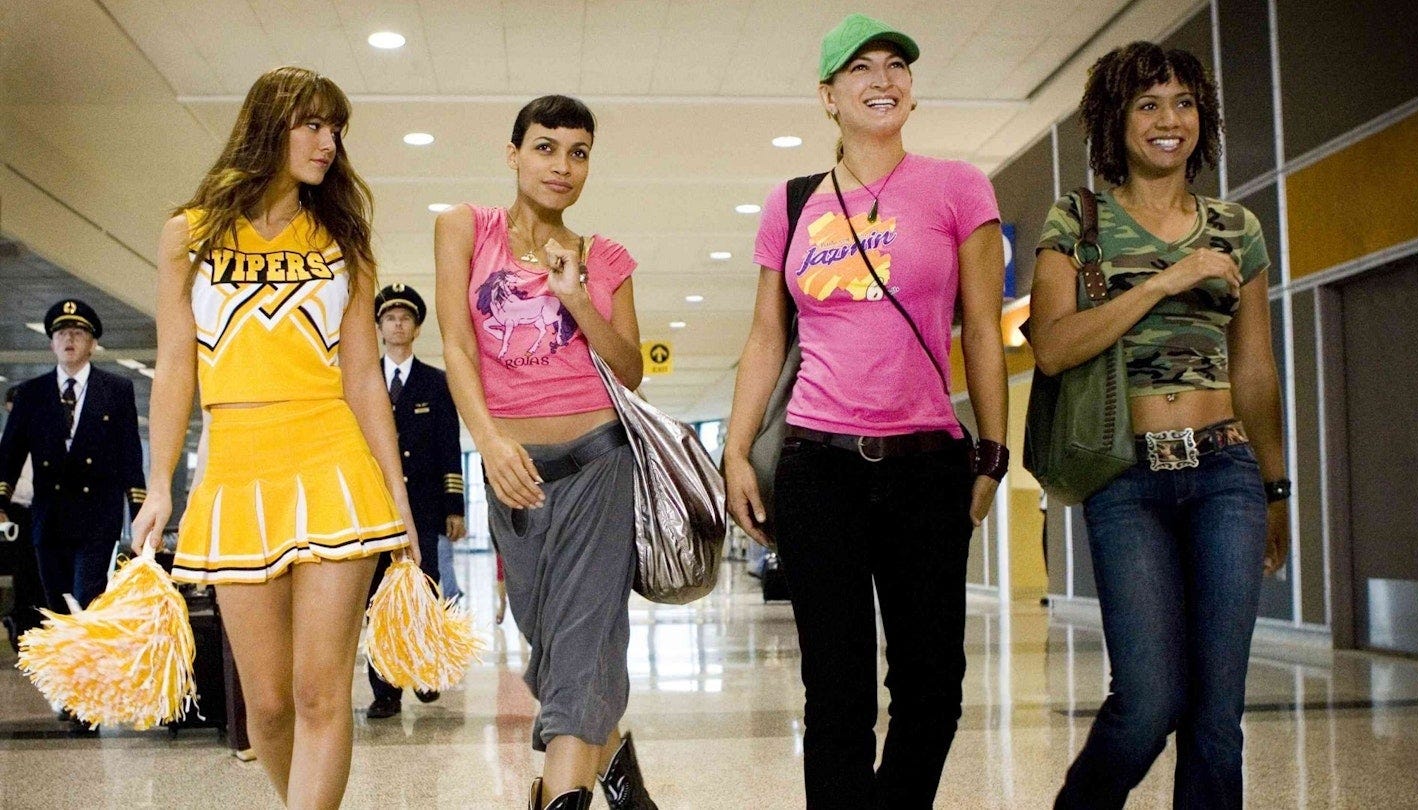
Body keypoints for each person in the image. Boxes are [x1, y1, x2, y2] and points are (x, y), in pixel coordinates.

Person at [723, 14, 1010, 809]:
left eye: (895, 66)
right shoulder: (792, 203)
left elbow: (983, 329)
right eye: (860, 69)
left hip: (927, 464)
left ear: (910, 89)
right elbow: (765, 334)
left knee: (933, 688)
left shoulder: (958, 187)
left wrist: (993, 453)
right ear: (828, 96)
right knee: (836, 693)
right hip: (819, 467)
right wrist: (736, 452)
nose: (882, 80)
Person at [129, 66, 418, 810]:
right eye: (312, 125)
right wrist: (160, 483)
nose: (328, 144)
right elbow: (175, 365)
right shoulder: (188, 233)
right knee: (266, 703)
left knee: (321, 693)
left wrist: (398, 494)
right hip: (234, 468)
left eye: (336, 130)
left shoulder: (344, 241)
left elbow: (363, 380)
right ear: (268, 126)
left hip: (333, 463)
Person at [1026, 43, 1289, 809]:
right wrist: (1168, 279)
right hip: (1127, 478)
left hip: (1226, 474)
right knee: (1147, 701)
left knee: (1216, 716)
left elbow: (1255, 370)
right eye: (1148, 104)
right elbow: (1053, 347)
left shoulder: (1236, 227)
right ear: (1117, 119)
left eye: (1183, 103)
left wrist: (1275, 487)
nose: (1169, 119)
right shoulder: (1079, 219)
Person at [433, 94, 656, 810]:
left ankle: (559, 796)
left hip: (600, 463)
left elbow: (630, 370)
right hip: (514, 471)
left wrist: (579, 296)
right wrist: (489, 443)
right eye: (546, 147)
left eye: (578, 153)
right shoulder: (465, 228)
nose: (562, 166)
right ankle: (618, 769)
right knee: (555, 647)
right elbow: (457, 346)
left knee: (582, 645)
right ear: (514, 154)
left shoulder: (606, 256)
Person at [0, 300, 146, 616]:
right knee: (57, 605)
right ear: (52, 344)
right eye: (61, 333)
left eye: (78, 333)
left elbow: (130, 454)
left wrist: (140, 512)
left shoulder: (116, 390)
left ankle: (88, 649)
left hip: (98, 518)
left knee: (86, 598)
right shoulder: (31, 393)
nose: (69, 339)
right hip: (49, 519)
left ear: (92, 344)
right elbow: (10, 453)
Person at [364, 282, 466, 719]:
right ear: (379, 327)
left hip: (424, 507)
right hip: (374, 508)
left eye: (405, 318)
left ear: (417, 327)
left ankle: (426, 673)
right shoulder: (363, 379)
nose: (397, 324)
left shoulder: (436, 382)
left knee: (425, 590)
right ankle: (385, 691)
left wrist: (454, 507)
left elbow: (449, 446)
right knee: (377, 597)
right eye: (389, 318)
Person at [0, 385, 44, 651]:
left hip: (43, 511)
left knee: (42, 572)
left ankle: (36, 625)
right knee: (23, 572)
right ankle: (22, 624)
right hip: (15, 513)